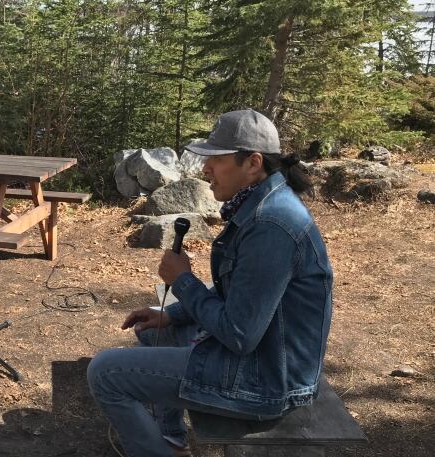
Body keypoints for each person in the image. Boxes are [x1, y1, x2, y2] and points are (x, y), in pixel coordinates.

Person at [87, 109, 333, 457]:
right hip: (265, 360)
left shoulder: (271, 224)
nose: (206, 169)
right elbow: (244, 290)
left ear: (253, 163)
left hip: (266, 381)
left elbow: (239, 334)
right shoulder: (262, 205)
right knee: (153, 331)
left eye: (216, 160)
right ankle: (171, 439)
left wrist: (183, 281)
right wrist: (173, 313)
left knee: (104, 373)